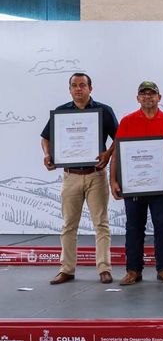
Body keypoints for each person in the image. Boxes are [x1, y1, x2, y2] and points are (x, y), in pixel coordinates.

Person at [40, 72, 119, 285]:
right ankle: (66, 269)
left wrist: (107, 154)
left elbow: (118, 138)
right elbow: (45, 138)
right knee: (68, 225)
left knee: (101, 224)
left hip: (96, 175)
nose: (78, 89)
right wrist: (47, 155)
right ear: (70, 89)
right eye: (74, 85)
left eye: (82, 85)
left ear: (90, 88)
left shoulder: (104, 111)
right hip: (70, 176)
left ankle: (104, 268)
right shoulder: (61, 112)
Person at [110, 81, 163, 285]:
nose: (147, 97)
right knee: (134, 227)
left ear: (159, 97)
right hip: (134, 186)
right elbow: (116, 153)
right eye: (143, 94)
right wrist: (113, 180)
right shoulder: (127, 121)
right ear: (137, 98)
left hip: (162, 187)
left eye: (152, 94)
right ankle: (133, 270)